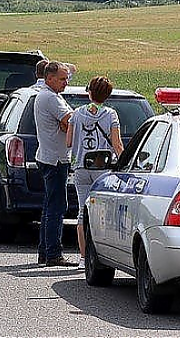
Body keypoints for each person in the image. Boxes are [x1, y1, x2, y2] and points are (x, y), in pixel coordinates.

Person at [66, 76, 124, 268]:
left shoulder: (76, 113)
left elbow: (68, 141)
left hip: (81, 167)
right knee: (103, 213)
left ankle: (83, 258)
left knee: (82, 212)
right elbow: (116, 144)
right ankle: (102, 256)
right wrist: (124, 162)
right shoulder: (111, 114)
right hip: (103, 168)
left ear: (89, 92)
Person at [34, 61, 76, 266]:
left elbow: (67, 122)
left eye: (66, 79)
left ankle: (45, 251)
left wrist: (65, 123)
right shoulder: (50, 97)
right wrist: (67, 122)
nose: (66, 82)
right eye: (61, 79)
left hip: (50, 156)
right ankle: (53, 253)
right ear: (49, 78)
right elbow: (72, 120)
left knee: (50, 206)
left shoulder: (50, 95)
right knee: (57, 208)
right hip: (56, 159)